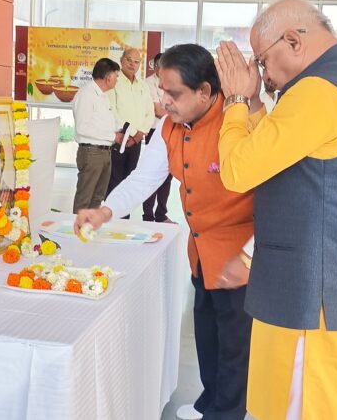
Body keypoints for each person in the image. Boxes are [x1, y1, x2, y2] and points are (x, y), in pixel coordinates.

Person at [215, 0, 337, 419]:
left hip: (318, 302)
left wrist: (235, 102)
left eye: (263, 62)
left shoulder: (320, 90)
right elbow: (291, 159)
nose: (262, 76)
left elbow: (239, 169)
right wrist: (258, 107)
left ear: (294, 41)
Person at [75, 44, 255, 420]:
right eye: (162, 90)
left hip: (240, 258)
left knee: (236, 346)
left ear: (205, 91)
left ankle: (227, 412)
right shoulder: (170, 125)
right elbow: (146, 176)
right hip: (201, 251)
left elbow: (272, 197)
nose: (164, 101)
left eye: (173, 94)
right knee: (207, 331)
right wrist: (105, 210)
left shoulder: (239, 121)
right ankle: (211, 400)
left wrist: (250, 255)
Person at [106, 47, 155, 218]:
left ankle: (125, 220)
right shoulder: (114, 82)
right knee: (115, 180)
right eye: (129, 60)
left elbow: (150, 113)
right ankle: (113, 218)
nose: (132, 64)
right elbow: (112, 110)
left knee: (130, 181)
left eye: (136, 62)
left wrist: (139, 134)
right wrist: (132, 133)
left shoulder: (143, 85)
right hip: (119, 139)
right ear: (121, 60)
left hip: (136, 141)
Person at [71, 58, 121, 213]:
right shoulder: (86, 94)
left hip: (105, 151)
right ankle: (77, 233)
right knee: (84, 197)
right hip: (91, 152)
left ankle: (89, 231)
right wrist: (113, 137)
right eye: (116, 75)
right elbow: (82, 128)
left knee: (98, 197)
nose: (117, 79)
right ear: (108, 77)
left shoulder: (104, 96)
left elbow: (101, 123)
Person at [142, 52, 174, 223]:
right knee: (152, 174)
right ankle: (147, 215)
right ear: (154, 66)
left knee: (168, 175)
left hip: (171, 130)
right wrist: (176, 112)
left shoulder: (172, 81)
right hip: (155, 132)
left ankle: (161, 214)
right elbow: (158, 110)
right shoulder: (148, 84)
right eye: (161, 65)